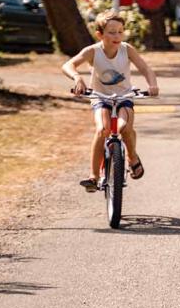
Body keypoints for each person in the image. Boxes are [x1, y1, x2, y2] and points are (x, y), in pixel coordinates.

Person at [63, 10, 160, 190]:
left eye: (120, 31)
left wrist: (152, 84)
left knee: (124, 127)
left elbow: (145, 68)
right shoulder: (93, 51)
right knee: (102, 129)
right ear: (100, 34)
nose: (117, 36)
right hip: (100, 98)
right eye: (111, 32)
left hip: (124, 96)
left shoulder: (127, 49)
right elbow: (68, 65)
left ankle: (132, 157)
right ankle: (93, 177)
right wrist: (77, 77)